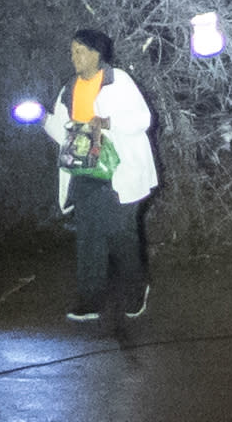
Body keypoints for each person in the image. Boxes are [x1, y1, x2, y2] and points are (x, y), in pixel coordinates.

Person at [60, 27, 158, 322]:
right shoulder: (70, 87)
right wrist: (41, 119)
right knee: (88, 235)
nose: (74, 56)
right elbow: (62, 127)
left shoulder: (118, 81)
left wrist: (108, 121)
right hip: (85, 170)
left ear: (95, 54)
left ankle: (135, 291)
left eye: (79, 51)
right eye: (72, 50)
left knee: (120, 234)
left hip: (119, 171)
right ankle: (90, 300)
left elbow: (143, 119)